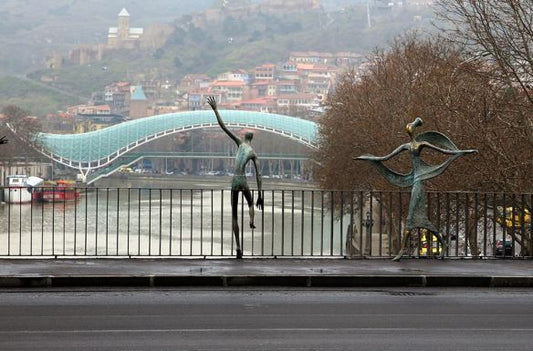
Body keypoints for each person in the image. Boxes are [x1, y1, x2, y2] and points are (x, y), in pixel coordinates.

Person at [355, 117, 476, 261]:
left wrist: (463, 151)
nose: (409, 133)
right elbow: (386, 157)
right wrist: (371, 159)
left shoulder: (422, 144)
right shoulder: (405, 146)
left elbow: (443, 151)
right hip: (414, 178)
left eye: (410, 131)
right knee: (421, 220)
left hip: (419, 180)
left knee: (411, 217)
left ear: (413, 131)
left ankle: (402, 250)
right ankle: (442, 243)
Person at [207, 96, 263, 259]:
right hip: (244, 181)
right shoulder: (253, 153)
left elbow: (224, 127)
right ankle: (251, 219)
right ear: (252, 139)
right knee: (251, 202)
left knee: (234, 215)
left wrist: (216, 110)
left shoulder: (239, 143)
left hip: (234, 181)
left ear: (245, 138)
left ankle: (238, 247)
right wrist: (260, 194)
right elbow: (259, 175)